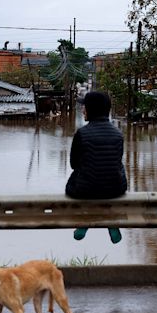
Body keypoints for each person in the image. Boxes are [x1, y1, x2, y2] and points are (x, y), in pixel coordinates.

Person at [66, 91, 127, 242]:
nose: (82, 110)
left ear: (90, 110)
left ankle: (84, 222)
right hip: (116, 189)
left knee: (80, 177)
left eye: (84, 107)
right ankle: (111, 222)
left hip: (85, 191)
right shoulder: (118, 134)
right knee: (116, 169)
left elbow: (74, 164)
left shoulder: (81, 133)